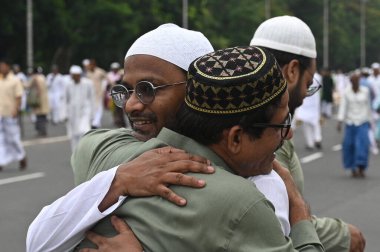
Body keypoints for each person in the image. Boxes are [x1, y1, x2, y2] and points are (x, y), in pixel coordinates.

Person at [27, 24, 291, 251]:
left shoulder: (100, 150)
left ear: (195, 90)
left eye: (147, 89)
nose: (131, 105)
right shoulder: (111, 153)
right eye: (127, 90)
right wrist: (118, 181)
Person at [76, 45, 323, 251]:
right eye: (282, 124)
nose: (289, 134)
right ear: (235, 139)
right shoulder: (245, 203)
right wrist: (301, 217)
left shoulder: (112, 155)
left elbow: (90, 143)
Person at [250, 15, 365, 252]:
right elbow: (275, 221)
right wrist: (343, 235)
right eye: (309, 83)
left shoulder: (232, 114)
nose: (305, 94)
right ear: (293, 71)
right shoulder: (263, 134)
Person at [337, 72, 371, 178]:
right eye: (353, 80)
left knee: (362, 145)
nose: (355, 82)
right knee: (349, 145)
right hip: (350, 122)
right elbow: (343, 107)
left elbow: (368, 106)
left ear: (359, 81)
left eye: (357, 80)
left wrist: (370, 121)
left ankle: (361, 167)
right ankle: (352, 168)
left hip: (362, 122)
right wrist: (340, 121)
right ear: (351, 82)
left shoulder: (365, 91)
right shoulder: (347, 92)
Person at [0, 59, 27, 171]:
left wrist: (16, 109)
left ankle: (22, 156)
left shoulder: (15, 80)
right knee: (0, 139)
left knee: (13, 138)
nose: (1, 69)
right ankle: (1, 161)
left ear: (8, 67)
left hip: (10, 113)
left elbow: (18, 96)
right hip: (0, 113)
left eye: (3, 66)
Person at [64, 65, 95, 151]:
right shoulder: (68, 85)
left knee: (84, 132)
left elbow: (92, 98)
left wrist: (92, 114)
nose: (74, 77)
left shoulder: (88, 83)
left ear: (79, 75)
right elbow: (65, 100)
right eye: (73, 75)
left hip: (85, 111)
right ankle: (75, 154)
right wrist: (64, 114)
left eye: (76, 75)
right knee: (74, 135)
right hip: (73, 112)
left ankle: (85, 152)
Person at [295, 71, 322, 150]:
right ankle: (317, 138)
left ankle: (310, 144)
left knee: (306, 124)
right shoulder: (318, 76)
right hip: (314, 101)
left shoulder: (302, 74)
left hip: (305, 100)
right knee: (316, 123)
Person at [85, 59, 107, 129]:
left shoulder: (100, 71)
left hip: (99, 93)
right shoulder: (87, 73)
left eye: (91, 65)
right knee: (92, 108)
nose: (90, 66)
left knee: (99, 108)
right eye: (89, 65)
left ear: (94, 65)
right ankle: (95, 122)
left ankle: (95, 123)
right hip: (90, 94)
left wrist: (105, 87)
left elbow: (107, 78)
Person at [28, 67, 50, 137]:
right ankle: (44, 130)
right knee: (43, 116)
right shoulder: (43, 77)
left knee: (39, 116)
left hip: (38, 99)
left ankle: (41, 131)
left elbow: (28, 86)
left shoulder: (35, 78)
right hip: (45, 99)